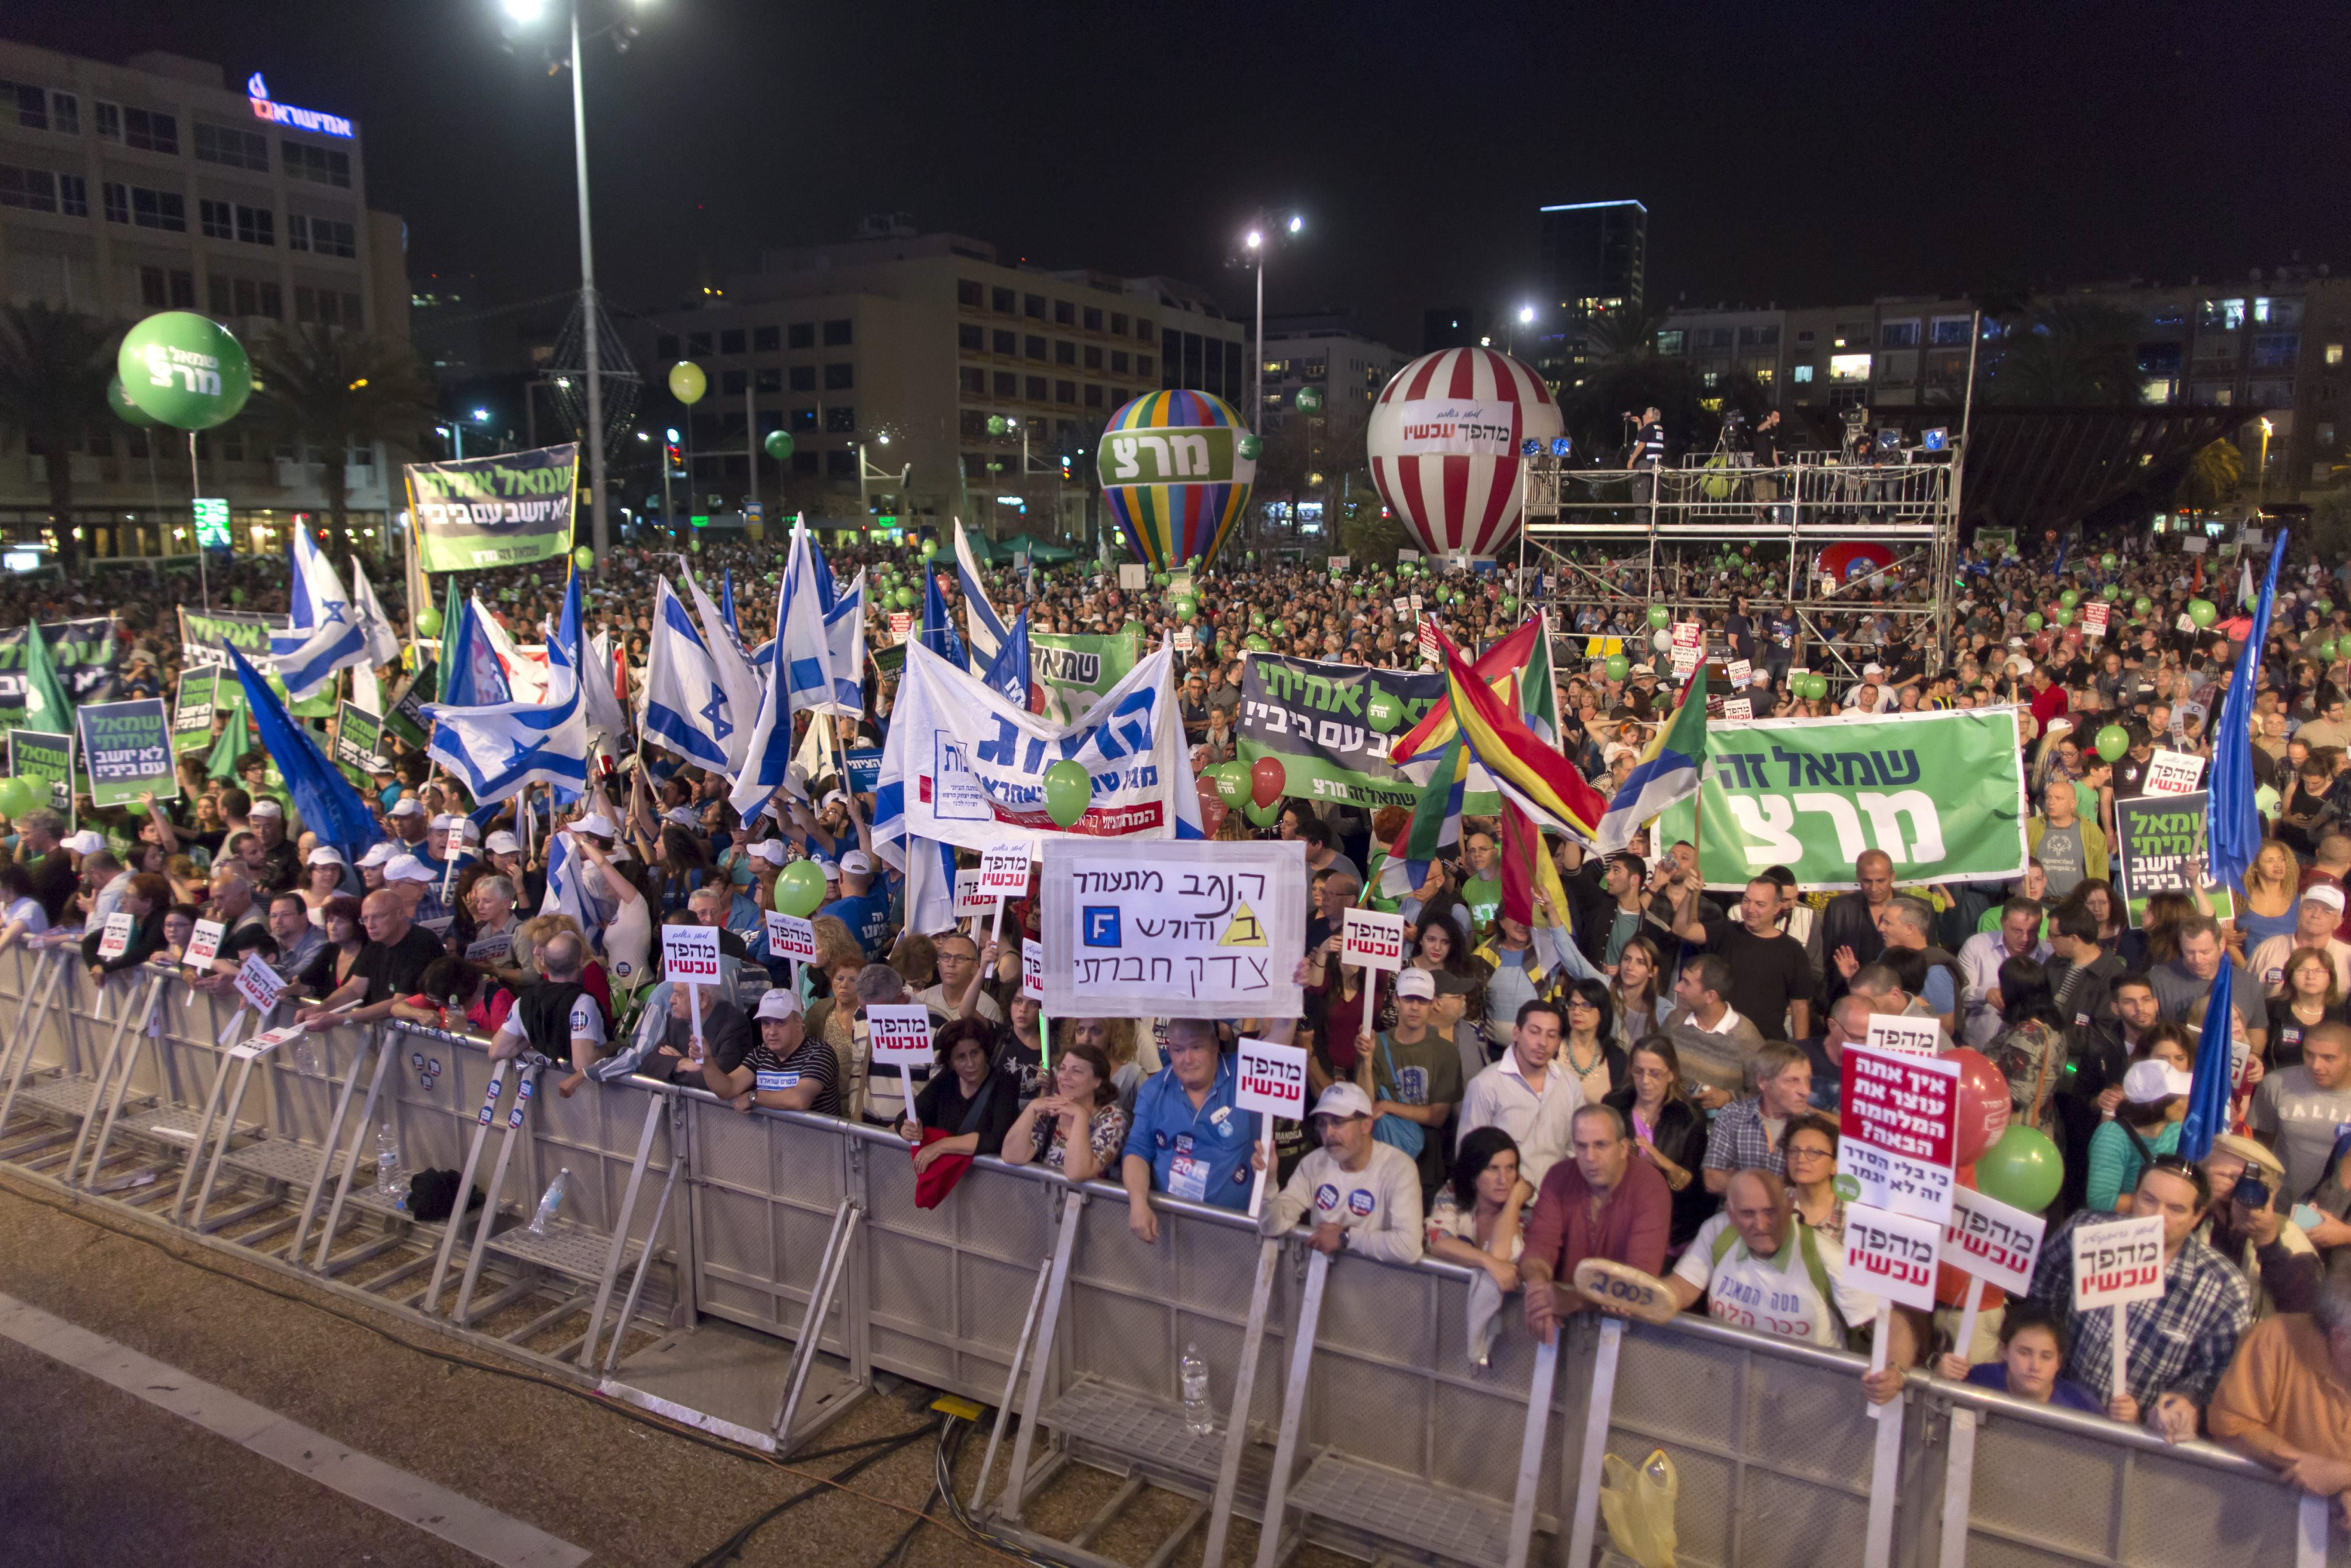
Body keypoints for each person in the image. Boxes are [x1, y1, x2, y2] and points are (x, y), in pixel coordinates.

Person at [2032, 1159, 2254, 1437]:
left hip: (2139, 1440)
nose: (2157, 1216)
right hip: (2054, 1413)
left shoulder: (2224, 1287)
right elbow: (2041, 1293)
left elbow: (2220, 1372)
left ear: (2197, 1218)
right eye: (2148, 1200)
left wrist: (2183, 1402)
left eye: (2175, 1209)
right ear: (2134, 1196)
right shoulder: (2087, 1231)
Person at [1667, 1169, 1876, 1348]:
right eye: (1748, 1214)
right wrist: (1641, 1297)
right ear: (1731, 1214)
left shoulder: (1827, 1256)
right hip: (1732, 1377)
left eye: (1770, 1212)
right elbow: (1680, 1289)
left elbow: (1884, 1323)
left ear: (1789, 1206)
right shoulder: (1718, 1231)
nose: (1761, 1224)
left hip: (1810, 1386)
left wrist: (1895, 1370)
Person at [1520, 1104, 1672, 1342]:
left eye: (1601, 1145)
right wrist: (1538, 1289)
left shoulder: (1650, 1187)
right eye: (1582, 1146)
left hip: (1629, 1333)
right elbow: (1539, 1246)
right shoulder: (1558, 1176)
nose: (1590, 1158)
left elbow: (1638, 1277)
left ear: (1623, 1148)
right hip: (1561, 1320)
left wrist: (1573, 1300)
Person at [2208, 1278, 2351, 1523]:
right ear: (2340, 1338)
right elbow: (2231, 1425)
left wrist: (2342, 1477)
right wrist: (2306, 1468)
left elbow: (2335, 1476)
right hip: (2264, 1524)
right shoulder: (2276, 1339)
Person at [1121, 1018, 1264, 1237]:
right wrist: (1138, 1204)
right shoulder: (1154, 1089)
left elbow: (1279, 1041)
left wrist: (1292, 996)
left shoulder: (1245, 1073)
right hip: (1172, 1230)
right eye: (1178, 1050)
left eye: (1196, 1047)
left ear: (1215, 1046)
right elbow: (1137, 1151)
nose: (1187, 1059)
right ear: (1169, 1049)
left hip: (1238, 1232)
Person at [1260, 1082, 1423, 1264]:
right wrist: (1268, 1184)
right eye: (1322, 1124)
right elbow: (1271, 1227)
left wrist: (1346, 1238)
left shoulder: (1399, 1168)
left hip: (1377, 1287)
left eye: (1338, 1122)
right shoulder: (1313, 1163)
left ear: (1366, 1125)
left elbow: (1409, 1248)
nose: (1328, 1132)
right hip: (1320, 1284)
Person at [1663, 874, 1815, 1041]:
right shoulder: (1725, 932)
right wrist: (1690, 894)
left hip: (1767, 1047)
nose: (1750, 909)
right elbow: (1681, 930)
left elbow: (1800, 1007)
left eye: (1760, 904)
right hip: (1718, 1043)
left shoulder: (1793, 951)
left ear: (1777, 907)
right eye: (1747, 900)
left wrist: (1802, 1049)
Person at [1360, 967, 1463, 1198]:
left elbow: (1437, 1116)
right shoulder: (1376, 1044)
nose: (1415, 1007)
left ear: (1433, 1003)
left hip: (1427, 1163)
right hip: (1382, 1159)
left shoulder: (1446, 1052)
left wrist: (1387, 1106)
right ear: (1396, 1000)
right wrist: (1366, 1062)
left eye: (1422, 1000)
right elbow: (1365, 1106)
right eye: (1408, 999)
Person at [1457, 999, 1580, 1192]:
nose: (1542, 1043)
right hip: (1501, 1203)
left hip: (1557, 1201)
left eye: (1552, 1035)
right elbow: (1469, 1156)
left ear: (1558, 1043)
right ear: (1516, 1033)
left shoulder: (1570, 1084)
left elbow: (1576, 1149)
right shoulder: (1486, 1085)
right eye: (1534, 1031)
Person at [1603, 1035, 1712, 1253]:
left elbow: (1693, 1187)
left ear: (1671, 1074)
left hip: (1672, 1227)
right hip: (1617, 1220)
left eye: (1655, 1074)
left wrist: (1662, 1162)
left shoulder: (1690, 1117)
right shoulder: (1613, 1105)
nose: (1645, 1081)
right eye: (1638, 1071)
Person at [2202, 1134, 2322, 1319]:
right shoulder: (2195, 1219)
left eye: (2242, 1181)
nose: (2234, 1189)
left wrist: (2267, 1240)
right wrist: (2199, 1204)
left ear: (2269, 1192)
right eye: (2223, 1176)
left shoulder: (2290, 1236)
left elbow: (2303, 1308)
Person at [294, 889, 444, 1029]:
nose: (370, 925)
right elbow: (354, 988)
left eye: (377, 917)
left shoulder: (421, 943)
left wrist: (340, 1019)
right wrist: (321, 1008)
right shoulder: (375, 943)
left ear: (400, 914)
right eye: (365, 919)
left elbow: (398, 1002)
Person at [487, 932, 611, 1097]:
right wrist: (611, 1048)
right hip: (590, 1097)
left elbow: (496, 1051)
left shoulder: (523, 1002)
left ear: (544, 962)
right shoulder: (582, 1002)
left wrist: (531, 1035)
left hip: (547, 1095)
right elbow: (582, 1064)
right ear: (580, 962)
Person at [899, 1018, 1022, 1174]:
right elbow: (907, 1115)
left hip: (990, 1182)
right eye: (961, 1057)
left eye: (975, 1053)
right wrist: (907, 1129)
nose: (971, 1063)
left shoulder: (1005, 1084)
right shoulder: (946, 1079)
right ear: (950, 1061)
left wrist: (941, 1146)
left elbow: (997, 1140)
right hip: (948, 1185)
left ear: (985, 1051)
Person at [1931, 1302, 2104, 1412]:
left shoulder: (2083, 1407)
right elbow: (1933, 1413)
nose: (2035, 1366)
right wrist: (1940, 1379)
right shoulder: (1977, 1379)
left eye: (2046, 1356)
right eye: (2025, 1353)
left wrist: (2124, 1421)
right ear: (2004, 1351)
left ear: (2059, 1361)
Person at [2248, 1020, 2351, 1202]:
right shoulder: (2277, 1084)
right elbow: (2259, 1148)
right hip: (2283, 1205)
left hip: (2340, 1216)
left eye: (2329, 1058)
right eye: (2309, 1055)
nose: (2316, 1066)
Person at [1002, 1042, 1127, 1183]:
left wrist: (1080, 1116)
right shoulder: (1051, 1108)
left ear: (1097, 1081)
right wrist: (1033, 1107)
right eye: (1063, 1068)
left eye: (1076, 1071)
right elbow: (1011, 1156)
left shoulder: (1112, 1118)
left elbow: (1076, 1173)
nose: (1065, 1076)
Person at [2088, 1045, 2194, 1212]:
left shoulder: (2174, 1130)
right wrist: (2163, 1205)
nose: (2187, 1102)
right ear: (2155, 1103)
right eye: (2179, 1098)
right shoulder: (2112, 1136)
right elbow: (2102, 1201)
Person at [1702, 1040, 1815, 1194]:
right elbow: (1713, 1181)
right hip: (1738, 1214)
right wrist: (1782, 1183)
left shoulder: (1812, 1127)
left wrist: (1739, 1181)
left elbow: (1811, 1190)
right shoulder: (1733, 1116)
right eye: (1793, 1081)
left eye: (1808, 1080)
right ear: (1763, 1082)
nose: (1805, 1091)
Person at [707, 987, 841, 1117]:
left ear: (798, 1023)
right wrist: (707, 1062)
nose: (772, 1032)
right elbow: (728, 1089)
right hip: (775, 1137)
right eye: (766, 1024)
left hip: (818, 1139)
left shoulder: (820, 1053)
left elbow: (799, 1100)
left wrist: (754, 1096)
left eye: (780, 1023)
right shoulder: (760, 1053)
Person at [1658, 953, 1768, 1104]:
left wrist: (1730, 1098)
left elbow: (1765, 1095)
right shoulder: (1675, 1020)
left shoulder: (1746, 1037)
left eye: (1686, 983)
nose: (1677, 988)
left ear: (1710, 996)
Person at [1425, 1127, 1524, 1293]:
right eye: (1493, 1168)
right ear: (1473, 1173)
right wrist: (1488, 1262)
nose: (1503, 1179)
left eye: (1510, 1168)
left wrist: (1514, 1201)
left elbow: (1504, 1259)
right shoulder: (1452, 1193)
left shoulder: (1525, 1213)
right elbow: (1438, 1242)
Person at [2151, 916, 2266, 1058]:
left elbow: (2256, 1028)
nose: (2198, 960)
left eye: (2205, 952)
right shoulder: (2158, 980)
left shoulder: (2248, 983)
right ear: (2181, 945)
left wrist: (2254, 1056)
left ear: (2222, 945)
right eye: (2190, 952)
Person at [1957, 898, 2051, 1047]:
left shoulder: (2050, 954)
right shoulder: (1977, 946)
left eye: (2033, 931)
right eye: (2017, 931)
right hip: (1979, 1046)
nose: (2025, 938)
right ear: (2002, 922)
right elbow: (1960, 993)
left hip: (2028, 1051)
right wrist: (1986, 994)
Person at [1813, 848, 1896, 1011]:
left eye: (1881, 881)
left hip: (1896, 1006)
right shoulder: (1840, 908)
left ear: (1892, 876)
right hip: (1848, 1004)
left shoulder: (1917, 908)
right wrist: (1824, 1007)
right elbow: (1827, 962)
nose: (1873, 888)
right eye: (1867, 881)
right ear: (1858, 877)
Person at [2249, 883, 2351, 998]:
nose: (2316, 915)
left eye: (2327, 911)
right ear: (2299, 911)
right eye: (2310, 908)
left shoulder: (2348, 957)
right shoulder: (2268, 949)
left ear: (2339, 922)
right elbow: (2243, 997)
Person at [2027, 774, 2108, 900]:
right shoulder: (2031, 827)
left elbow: (2101, 875)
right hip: (2039, 904)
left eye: (2059, 798)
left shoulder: (2092, 832)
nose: (2051, 802)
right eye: (2048, 797)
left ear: (2073, 804)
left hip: (2075, 907)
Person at [2267, 948, 2348, 1071]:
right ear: (2290, 977)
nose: (2310, 976)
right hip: (2280, 1085)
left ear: (2330, 978)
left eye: (2319, 971)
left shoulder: (2345, 1016)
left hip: (2328, 1088)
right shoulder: (2270, 1009)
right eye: (2302, 970)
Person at [1782, 1112, 1846, 1241]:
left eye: (1813, 1152)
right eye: (1794, 1151)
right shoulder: (1775, 1204)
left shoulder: (1854, 1216)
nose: (1800, 1159)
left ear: (1835, 1165)